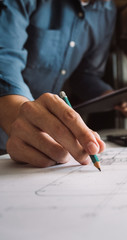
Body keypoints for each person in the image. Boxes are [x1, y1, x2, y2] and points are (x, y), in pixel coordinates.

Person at [0, 0, 117, 167]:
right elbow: (5, 59)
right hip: (12, 127)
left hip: (46, 140)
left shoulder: (107, 10)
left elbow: (85, 75)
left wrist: (111, 97)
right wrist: (23, 112)